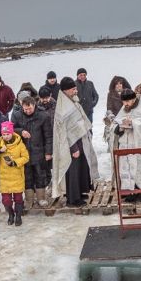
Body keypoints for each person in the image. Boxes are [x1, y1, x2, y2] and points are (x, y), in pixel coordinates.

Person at [52, 77, 98, 208]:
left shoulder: (73, 101)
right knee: (73, 170)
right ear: (66, 90)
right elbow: (65, 131)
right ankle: (73, 198)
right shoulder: (63, 108)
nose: (75, 90)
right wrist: (73, 148)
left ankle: (81, 191)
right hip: (72, 144)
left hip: (80, 140)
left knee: (82, 167)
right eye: (73, 89)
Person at [11, 95, 53, 206]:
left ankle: (41, 198)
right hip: (23, 152)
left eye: (29, 108)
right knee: (27, 176)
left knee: (40, 175)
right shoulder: (16, 115)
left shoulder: (43, 115)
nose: (27, 111)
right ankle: (29, 199)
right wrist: (21, 131)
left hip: (39, 151)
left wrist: (48, 152)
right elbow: (11, 129)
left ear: (34, 105)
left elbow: (48, 135)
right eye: (25, 109)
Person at [0, 123, 30, 226]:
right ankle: (11, 214)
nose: (6, 136)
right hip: (5, 178)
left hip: (17, 176)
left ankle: (18, 216)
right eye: (3, 134)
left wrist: (15, 162)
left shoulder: (20, 144)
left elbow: (26, 157)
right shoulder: (0, 145)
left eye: (7, 134)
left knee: (18, 199)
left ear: (12, 133)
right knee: (6, 200)